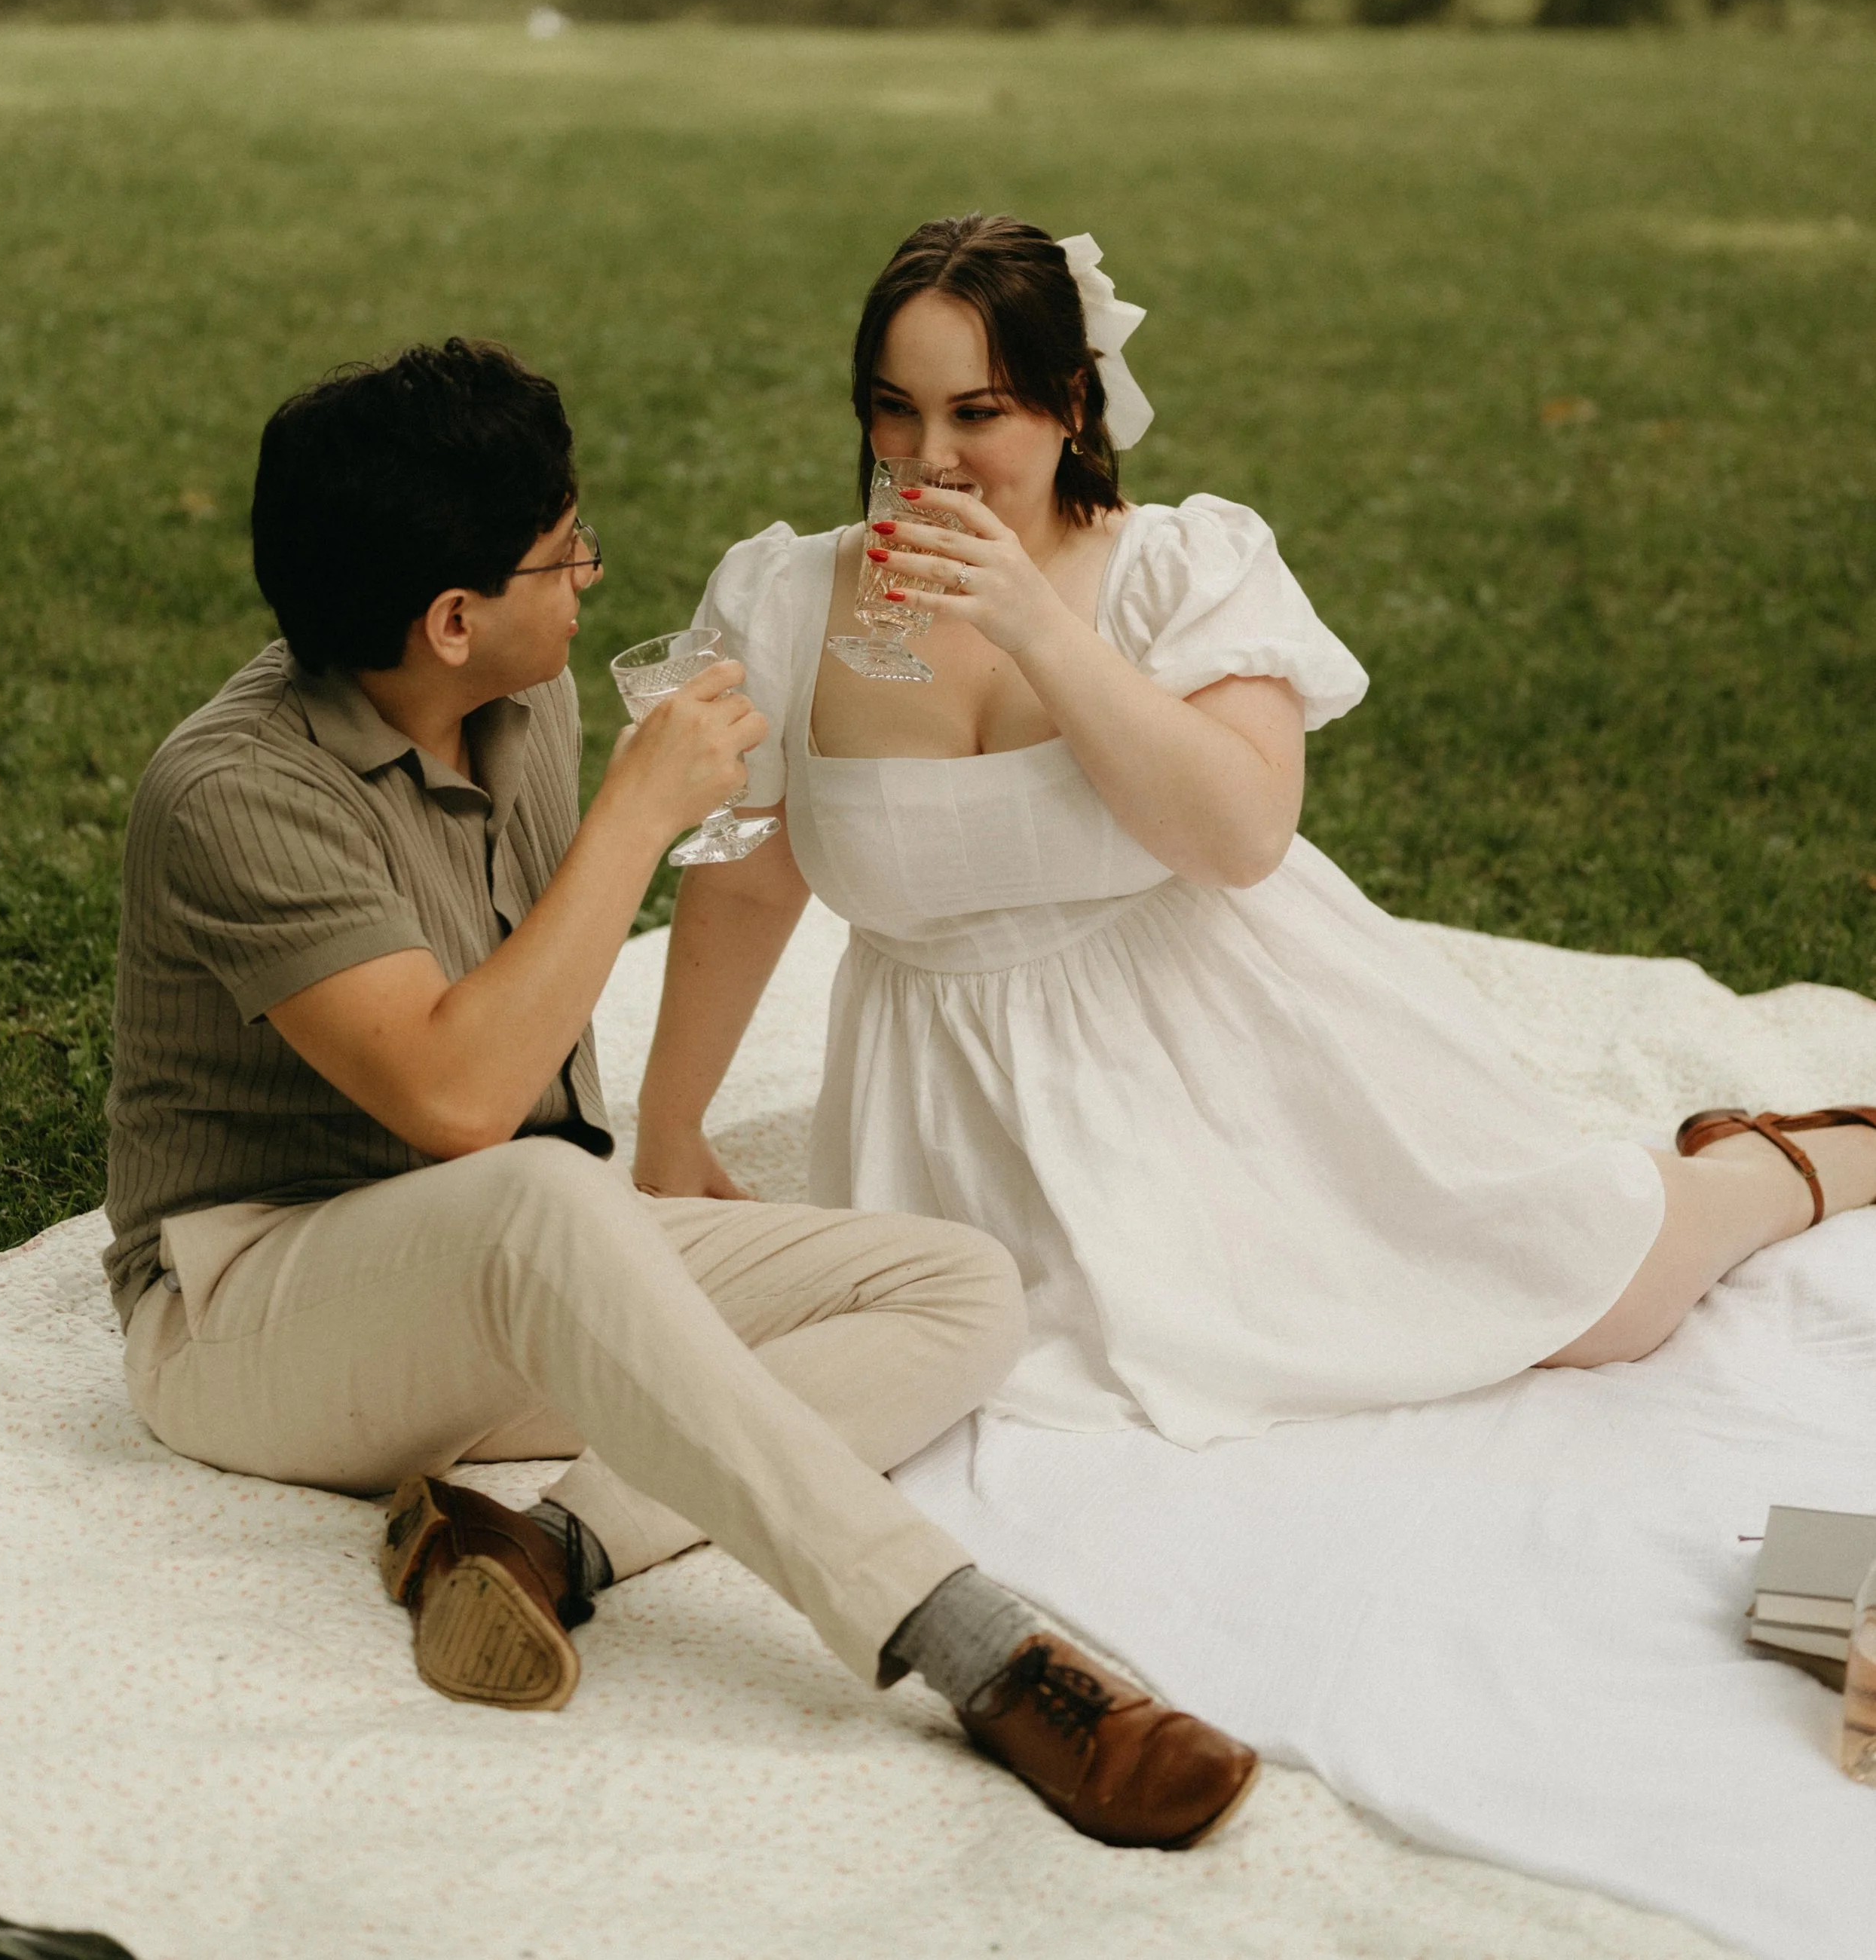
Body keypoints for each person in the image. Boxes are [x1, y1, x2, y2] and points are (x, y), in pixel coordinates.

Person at [103, 336, 1259, 1850]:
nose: (588, 575)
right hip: (254, 1303)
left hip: (504, 1258)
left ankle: (541, 1543)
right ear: (453, 619)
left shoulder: (523, 706)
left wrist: (652, 1144)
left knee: (960, 1288)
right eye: (560, 553)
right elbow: (456, 1103)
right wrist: (639, 820)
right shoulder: (234, 793)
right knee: (535, 1187)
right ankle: (977, 1647)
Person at [634, 216, 1876, 1449]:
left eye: (979, 413)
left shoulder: (1182, 568)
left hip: (1218, 1033)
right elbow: (749, 881)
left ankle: (1782, 1167)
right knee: (1005, 1401)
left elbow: (1239, 840)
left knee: (1595, 1295)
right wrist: (672, 1124)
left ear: (1072, 403)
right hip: (946, 1097)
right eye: (894, 409)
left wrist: (1038, 628)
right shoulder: (790, 604)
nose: (928, 458)